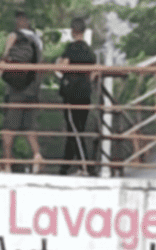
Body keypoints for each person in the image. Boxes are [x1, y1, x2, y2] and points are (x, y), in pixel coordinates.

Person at [1, 9, 44, 173]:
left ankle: (7, 163)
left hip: (16, 87)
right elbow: (40, 64)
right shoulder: (37, 40)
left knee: (9, 126)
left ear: (19, 22)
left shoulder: (14, 36)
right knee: (29, 125)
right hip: (32, 87)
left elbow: (6, 56)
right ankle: (37, 155)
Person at [56, 17, 97, 176]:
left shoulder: (71, 48)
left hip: (71, 93)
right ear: (84, 31)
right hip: (85, 93)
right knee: (77, 128)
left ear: (73, 31)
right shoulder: (89, 50)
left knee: (74, 129)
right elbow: (94, 72)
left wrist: (59, 63)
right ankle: (66, 167)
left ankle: (83, 165)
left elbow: (62, 67)